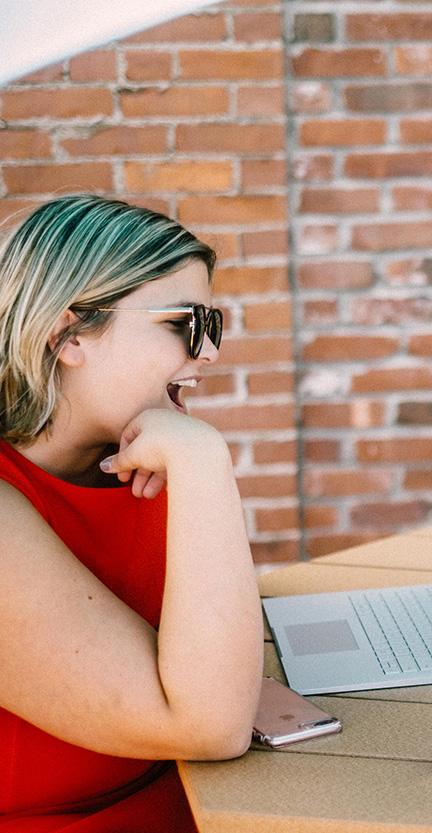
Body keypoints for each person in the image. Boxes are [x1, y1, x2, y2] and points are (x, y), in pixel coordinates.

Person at [0, 195, 263, 831]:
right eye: (185, 324)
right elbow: (208, 725)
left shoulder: (142, 455)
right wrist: (206, 465)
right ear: (68, 334)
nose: (208, 355)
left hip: (209, 805)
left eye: (214, 325)